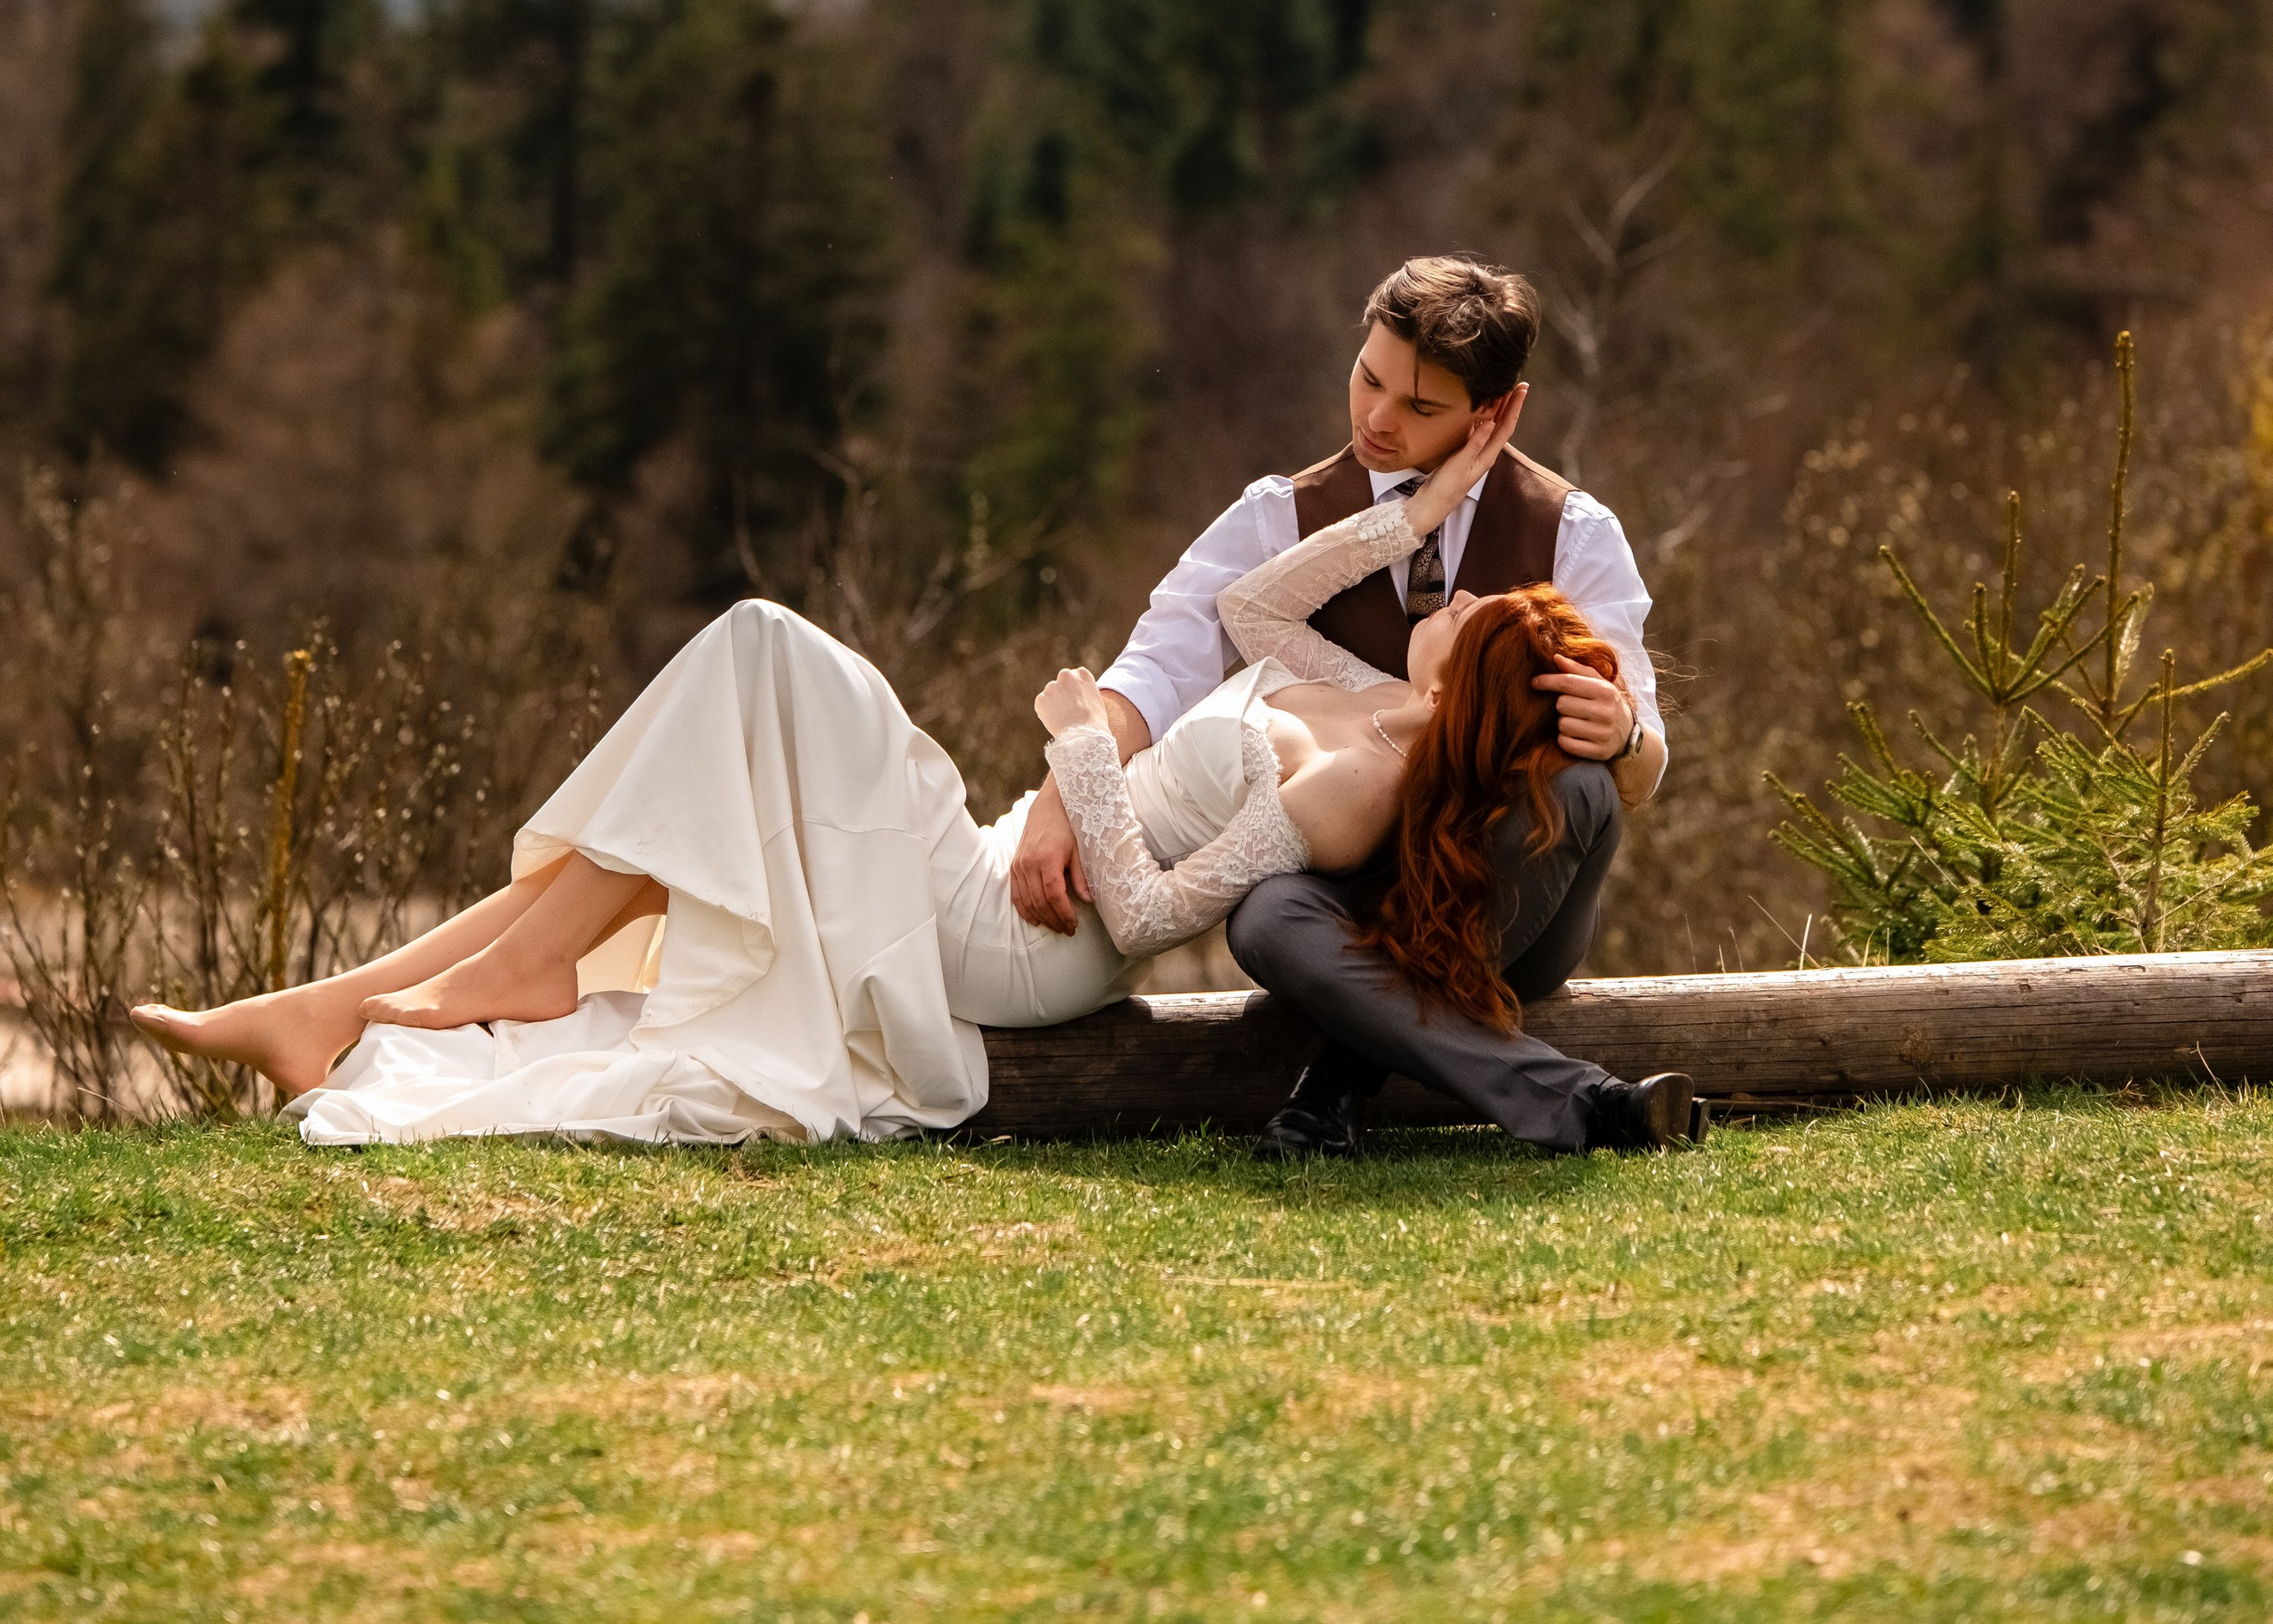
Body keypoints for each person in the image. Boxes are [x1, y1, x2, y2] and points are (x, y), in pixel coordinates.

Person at [124, 419, 1529, 1144]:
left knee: (763, 655)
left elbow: (1162, 915)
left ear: (1466, 683)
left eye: (1473, 607)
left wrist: (1082, 750)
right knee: (745, 692)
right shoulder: (1353, 691)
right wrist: (1426, 495)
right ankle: (331, 1011)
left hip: (1021, 950)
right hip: (989, 864)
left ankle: (477, 982)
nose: (1450, 590)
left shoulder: (1360, 787)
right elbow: (1258, 607)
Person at [1011, 251, 1689, 1155]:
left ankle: (1335, 1080)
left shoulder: (1571, 534)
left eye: (1419, 406)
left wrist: (1628, 737)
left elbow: (1642, 773)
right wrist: (1064, 798)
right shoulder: (1274, 516)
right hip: (1341, 891)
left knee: (1579, 790)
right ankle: (1580, 1102)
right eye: (1368, 378)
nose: (1376, 418)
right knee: (1264, 917)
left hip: (1501, 894)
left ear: (1495, 410)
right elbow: (1159, 667)